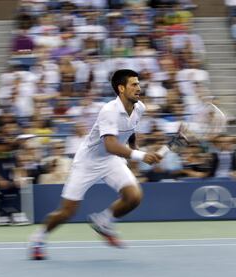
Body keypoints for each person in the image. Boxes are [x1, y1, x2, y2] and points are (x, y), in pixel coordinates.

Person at [29, 69, 162, 260]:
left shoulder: (139, 107)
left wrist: (135, 148)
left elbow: (131, 131)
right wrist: (140, 156)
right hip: (87, 163)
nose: (139, 88)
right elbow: (110, 145)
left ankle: (104, 222)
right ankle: (38, 238)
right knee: (67, 212)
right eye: (134, 84)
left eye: (139, 83)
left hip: (111, 161)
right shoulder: (109, 110)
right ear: (121, 88)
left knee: (134, 197)